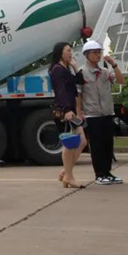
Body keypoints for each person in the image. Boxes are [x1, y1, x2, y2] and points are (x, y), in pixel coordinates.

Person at [79, 40, 125, 185]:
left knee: (108, 145)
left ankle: (108, 173)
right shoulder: (82, 72)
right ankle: (99, 174)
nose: (98, 55)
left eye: (99, 52)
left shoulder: (105, 72)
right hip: (92, 114)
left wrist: (114, 65)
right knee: (97, 146)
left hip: (107, 113)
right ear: (86, 55)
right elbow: (78, 94)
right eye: (94, 52)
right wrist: (79, 112)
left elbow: (121, 81)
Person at [48, 42, 88, 189]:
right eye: (68, 51)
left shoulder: (66, 68)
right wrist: (67, 110)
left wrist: (75, 67)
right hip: (64, 111)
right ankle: (69, 177)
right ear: (60, 52)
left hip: (71, 110)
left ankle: (66, 172)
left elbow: (81, 82)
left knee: (82, 142)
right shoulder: (57, 69)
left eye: (71, 50)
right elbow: (61, 91)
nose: (71, 53)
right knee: (69, 144)